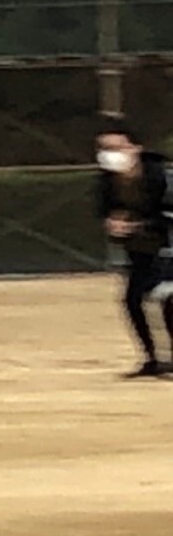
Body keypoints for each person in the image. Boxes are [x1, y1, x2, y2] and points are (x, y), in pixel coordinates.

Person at [95, 116, 172, 378]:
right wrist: (114, 224)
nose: (110, 155)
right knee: (132, 300)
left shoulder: (161, 176)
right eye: (104, 149)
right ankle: (151, 359)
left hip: (168, 246)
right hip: (142, 250)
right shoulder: (108, 182)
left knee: (167, 298)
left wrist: (138, 224)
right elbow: (106, 210)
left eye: (117, 148)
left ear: (135, 148)